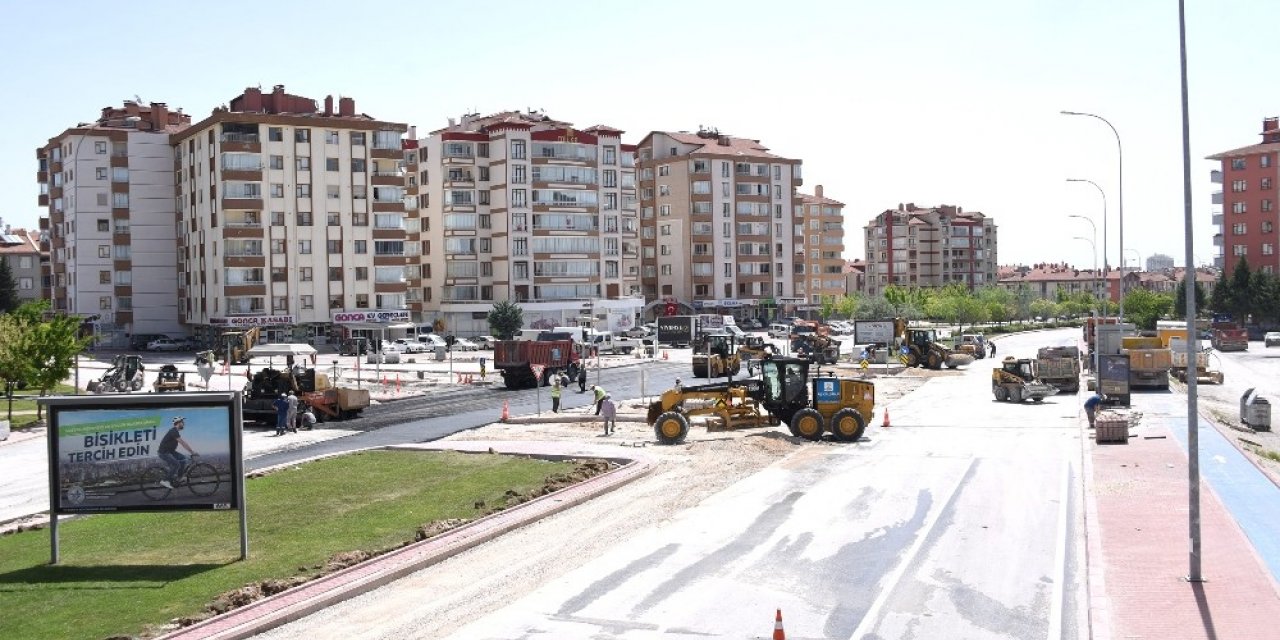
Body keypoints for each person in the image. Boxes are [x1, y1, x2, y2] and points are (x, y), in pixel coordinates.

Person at [157, 416, 197, 489]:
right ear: (178, 423)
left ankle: (179, 478)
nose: (184, 424)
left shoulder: (175, 431)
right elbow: (182, 443)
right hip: (164, 453)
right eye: (182, 422)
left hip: (170, 452)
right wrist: (192, 452)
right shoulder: (173, 431)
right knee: (176, 465)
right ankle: (165, 480)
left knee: (183, 459)